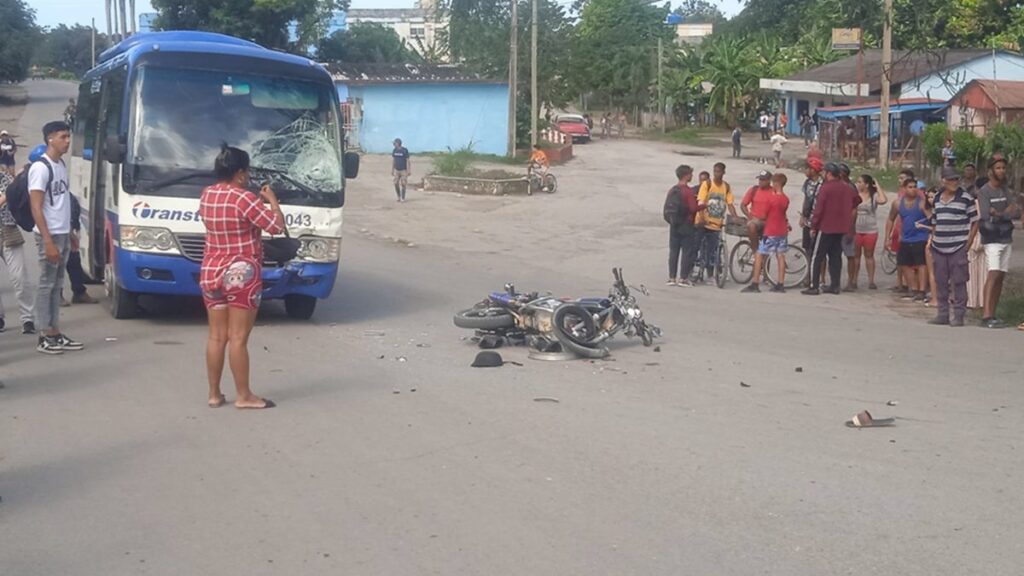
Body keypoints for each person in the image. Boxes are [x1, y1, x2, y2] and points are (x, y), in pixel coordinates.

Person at [199, 145, 286, 409]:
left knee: (216, 336)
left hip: (211, 270)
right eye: (246, 172)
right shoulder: (244, 198)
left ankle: (214, 394)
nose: (247, 176)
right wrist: (272, 201)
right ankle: (244, 396)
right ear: (239, 173)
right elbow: (276, 227)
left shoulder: (207, 195)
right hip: (241, 273)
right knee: (238, 338)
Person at [29, 121, 83, 354]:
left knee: (57, 284)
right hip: (48, 235)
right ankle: (44, 335)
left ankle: (54, 332)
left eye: (68, 136)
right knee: (46, 284)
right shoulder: (41, 168)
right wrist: (48, 241)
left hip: (62, 232)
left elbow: (62, 202)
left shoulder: (60, 164)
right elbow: (36, 206)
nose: (67, 141)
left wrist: (69, 232)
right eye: (63, 137)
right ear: (50, 139)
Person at [927, 166, 978, 327]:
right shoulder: (937, 198)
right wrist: (932, 239)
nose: (954, 182)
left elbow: (975, 221)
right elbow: (934, 221)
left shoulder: (966, 198)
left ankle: (959, 315)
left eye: (956, 179)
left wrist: (968, 244)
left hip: (958, 247)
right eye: (950, 179)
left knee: (959, 281)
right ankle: (942, 314)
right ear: (943, 181)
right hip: (939, 247)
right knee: (941, 281)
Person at [803, 162, 860, 295]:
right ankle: (835, 285)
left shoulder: (826, 188)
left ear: (829, 173)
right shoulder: (847, 188)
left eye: (824, 172)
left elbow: (819, 209)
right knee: (835, 256)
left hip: (826, 226)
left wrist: (814, 226)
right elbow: (857, 200)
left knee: (817, 256)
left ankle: (814, 286)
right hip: (841, 227)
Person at [976, 155, 1020, 329]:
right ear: (990, 171)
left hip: (1006, 237)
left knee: (1001, 276)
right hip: (992, 238)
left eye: (1003, 168)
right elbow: (986, 215)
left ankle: (993, 313)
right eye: (998, 168)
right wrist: (1005, 213)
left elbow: (1015, 211)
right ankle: (986, 315)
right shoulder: (984, 191)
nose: (1001, 171)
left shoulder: (1005, 190)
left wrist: (999, 214)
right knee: (993, 274)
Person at [0, 162, 35, 334]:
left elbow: (13, 195)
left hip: (8, 230)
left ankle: (27, 318)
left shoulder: (5, 178)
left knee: (19, 277)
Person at [743, 173, 791, 293]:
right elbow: (783, 213)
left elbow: (764, 215)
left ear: (776, 183)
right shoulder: (785, 199)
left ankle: (755, 283)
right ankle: (780, 284)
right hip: (782, 231)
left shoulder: (772, 199)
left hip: (771, 231)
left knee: (759, 255)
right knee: (780, 256)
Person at [885, 179, 930, 302]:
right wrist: (887, 237)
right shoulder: (897, 203)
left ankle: (921, 290)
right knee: (903, 264)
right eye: (910, 187)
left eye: (915, 187)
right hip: (905, 238)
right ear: (904, 189)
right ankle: (913, 288)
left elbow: (931, 218)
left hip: (920, 238)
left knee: (921, 264)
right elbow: (890, 219)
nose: (913, 189)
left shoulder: (922, 203)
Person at [695, 162, 737, 282]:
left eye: (719, 171)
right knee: (697, 247)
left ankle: (710, 275)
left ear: (723, 172)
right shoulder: (707, 184)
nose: (716, 174)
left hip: (716, 224)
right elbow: (701, 202)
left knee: (713, 251)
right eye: (715, 171)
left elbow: (730, 204)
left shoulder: (726, 187)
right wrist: (702, 218)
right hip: (704, 222)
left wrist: (735, 217)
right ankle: (694, 271)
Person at [849, 174, 888, 290]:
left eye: (860, 182)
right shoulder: (854, 194)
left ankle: (871, 280)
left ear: (866, 184)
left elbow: (883, 200)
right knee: (856, 256)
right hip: (856, 229)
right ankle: (854, 280)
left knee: (869, 256)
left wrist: (877, 185)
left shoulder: (873, 196)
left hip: (870, 229)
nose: (858, 184)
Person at [663, 164, 699, 287]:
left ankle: (672, 278)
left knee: (674, 251)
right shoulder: (688, 191)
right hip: (686, 224)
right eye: (690, 174)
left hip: (674, 223)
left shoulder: (672, 190)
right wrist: (703, 206)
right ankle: (683, 278)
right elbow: (693, 208)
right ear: (686, 176)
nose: (692, 176)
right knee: (687, 251)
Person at [62, 193, 99, 306]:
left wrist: (73, 228)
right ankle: (56, 295)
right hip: (57, 229)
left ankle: (79, 292)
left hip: (68, 226)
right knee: (56, 264)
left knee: (74, 260)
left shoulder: (65, 192)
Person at [799, 157, 824, 285]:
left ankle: (819, 278)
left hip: (819, 222)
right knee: (807, 249)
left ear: (813, 170)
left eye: (807, 168)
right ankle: (808, 276)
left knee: (819, 251)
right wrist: (803, 216)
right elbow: (806, 199)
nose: (805, 170)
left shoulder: (823, 184)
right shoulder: (807, 183)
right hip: (808, 221)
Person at [741, 170, 773, 250]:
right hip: (755, 220)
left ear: (769, 180)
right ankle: (755, 251)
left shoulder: (774, 192)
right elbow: (743, 205)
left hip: (769, 221)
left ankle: (764, 255)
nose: (760, 182)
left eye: (763, 180)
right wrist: (749, 216)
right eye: (760, 179)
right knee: (752, 226)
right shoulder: (754, 190)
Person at [391, 138, 411, 202]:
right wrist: (392, 170)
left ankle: (403, 197)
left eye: (395, 143)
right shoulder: (394, 150)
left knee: (403, 183)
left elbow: (407, 161)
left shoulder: (404, 150)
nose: (394, 144)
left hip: (403, 170)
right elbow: (394, 160)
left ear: (398, 143)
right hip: (397, 170)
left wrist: (408, 170)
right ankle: (398, 196)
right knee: (395, 183)